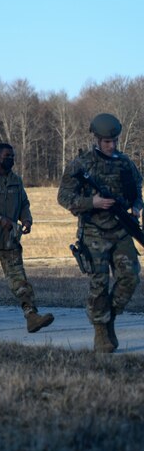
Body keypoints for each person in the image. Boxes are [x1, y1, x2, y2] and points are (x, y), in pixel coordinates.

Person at [57, 113, 143, 353]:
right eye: (106, 141)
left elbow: (137, 191)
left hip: (122, 230)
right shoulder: (81, 164)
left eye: (114, 140)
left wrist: (136, 207)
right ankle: (101, 332)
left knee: (130, 277)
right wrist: (91, 202)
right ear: (96, 139)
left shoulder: (125, 163)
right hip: (94, 232)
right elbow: (63, 197)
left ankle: (108, 316)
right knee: (99, 284)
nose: (111, 145)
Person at [0, 143, 54, 334]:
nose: (11, 160)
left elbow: (24, 202)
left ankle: (32, 316)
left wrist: (27, 219)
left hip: (10, 240)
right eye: (7, 156)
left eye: (13, 156)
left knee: (19, 281)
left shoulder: (16, 180)